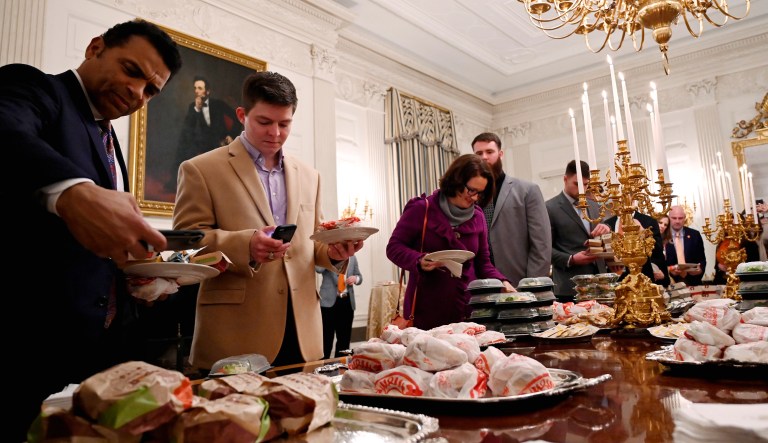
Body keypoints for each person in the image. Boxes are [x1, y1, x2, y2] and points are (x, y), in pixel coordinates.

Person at [0, 19, 182, 439]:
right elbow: (3, 128)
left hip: (98, 349)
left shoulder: (109, 138)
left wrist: (141, 274)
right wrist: (71, 191)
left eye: (151, 89)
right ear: (95, 47)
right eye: (132, 70)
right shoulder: (38, 89)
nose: (138, 92)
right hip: (27, 342)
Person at [173, 71, 363, 371]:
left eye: (284, 124)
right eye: (264, 122)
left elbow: (313, 243)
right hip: (235, 332)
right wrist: (244, 246)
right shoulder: (200, 169)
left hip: (302, 330)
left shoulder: (310, 176)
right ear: (241, 115)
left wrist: (334, 254)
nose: (275, 133)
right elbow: (187, 248)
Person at [386, 154, 515, 330]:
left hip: (468, 308)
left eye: (480, 193)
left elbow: (483, 262)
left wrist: (503, 282)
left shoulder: (478, 216)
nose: (475, 198)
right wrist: (419, 260)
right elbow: (394, 248)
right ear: (456, 181)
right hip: (427, 308)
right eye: (471, 190)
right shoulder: (422, 209)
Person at [471, 132, 551, 286]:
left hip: (519, 281)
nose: (484, 157)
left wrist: (532, 285)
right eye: (479, 153)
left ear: (500, 154)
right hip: (479, 284)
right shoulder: (468, 194)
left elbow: (542, 244)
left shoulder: (527, 190)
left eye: (489, 152)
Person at [546, 160, 611, 298]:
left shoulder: (595, 205)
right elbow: (544, 248)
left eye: (586, 185)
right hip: (569, 286)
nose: (582, 189)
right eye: (577, 184)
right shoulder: (549, 208)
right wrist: (571, 259)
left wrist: (607, 228)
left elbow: (606, 237)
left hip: (600, 284)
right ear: (565, 179)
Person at [171, 75, 240, 190]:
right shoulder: (192, 106)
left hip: (219, 140)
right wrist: (197, 110)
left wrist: (231, 134)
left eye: (200, 88)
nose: (196, 91)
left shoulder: (218, 104)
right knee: (184, 146)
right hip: (201, 140)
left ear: (207, 91)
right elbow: (188, 128)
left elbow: (238, 118)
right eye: (195, 88)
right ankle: (179, 182)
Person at [603, 210, 671, 287]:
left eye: (665, 225)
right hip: (614, 279)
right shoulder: (608, 223)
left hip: (642, 281)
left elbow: (658, 251)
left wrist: (643, 232)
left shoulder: (649, 221)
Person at [316, 255, 362, 358]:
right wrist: (329, 257)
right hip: (328, 303)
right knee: (326, 338)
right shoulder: (327, 255)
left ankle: (341, 368)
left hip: (347, 302)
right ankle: (322, 367)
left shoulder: (352, 258)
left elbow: (360, 277)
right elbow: (318, 269)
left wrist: (356, 278)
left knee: (344, 339)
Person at [665, 205, 706, 286]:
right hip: (670, 283)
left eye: (680, 218)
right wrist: (669, 270)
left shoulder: (695, 235)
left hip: (693, 282)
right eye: (674, 218)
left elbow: (702, 259)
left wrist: (699, 270)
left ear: (684, 218)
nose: (677, 221)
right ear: (669, 218)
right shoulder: (662, 236)